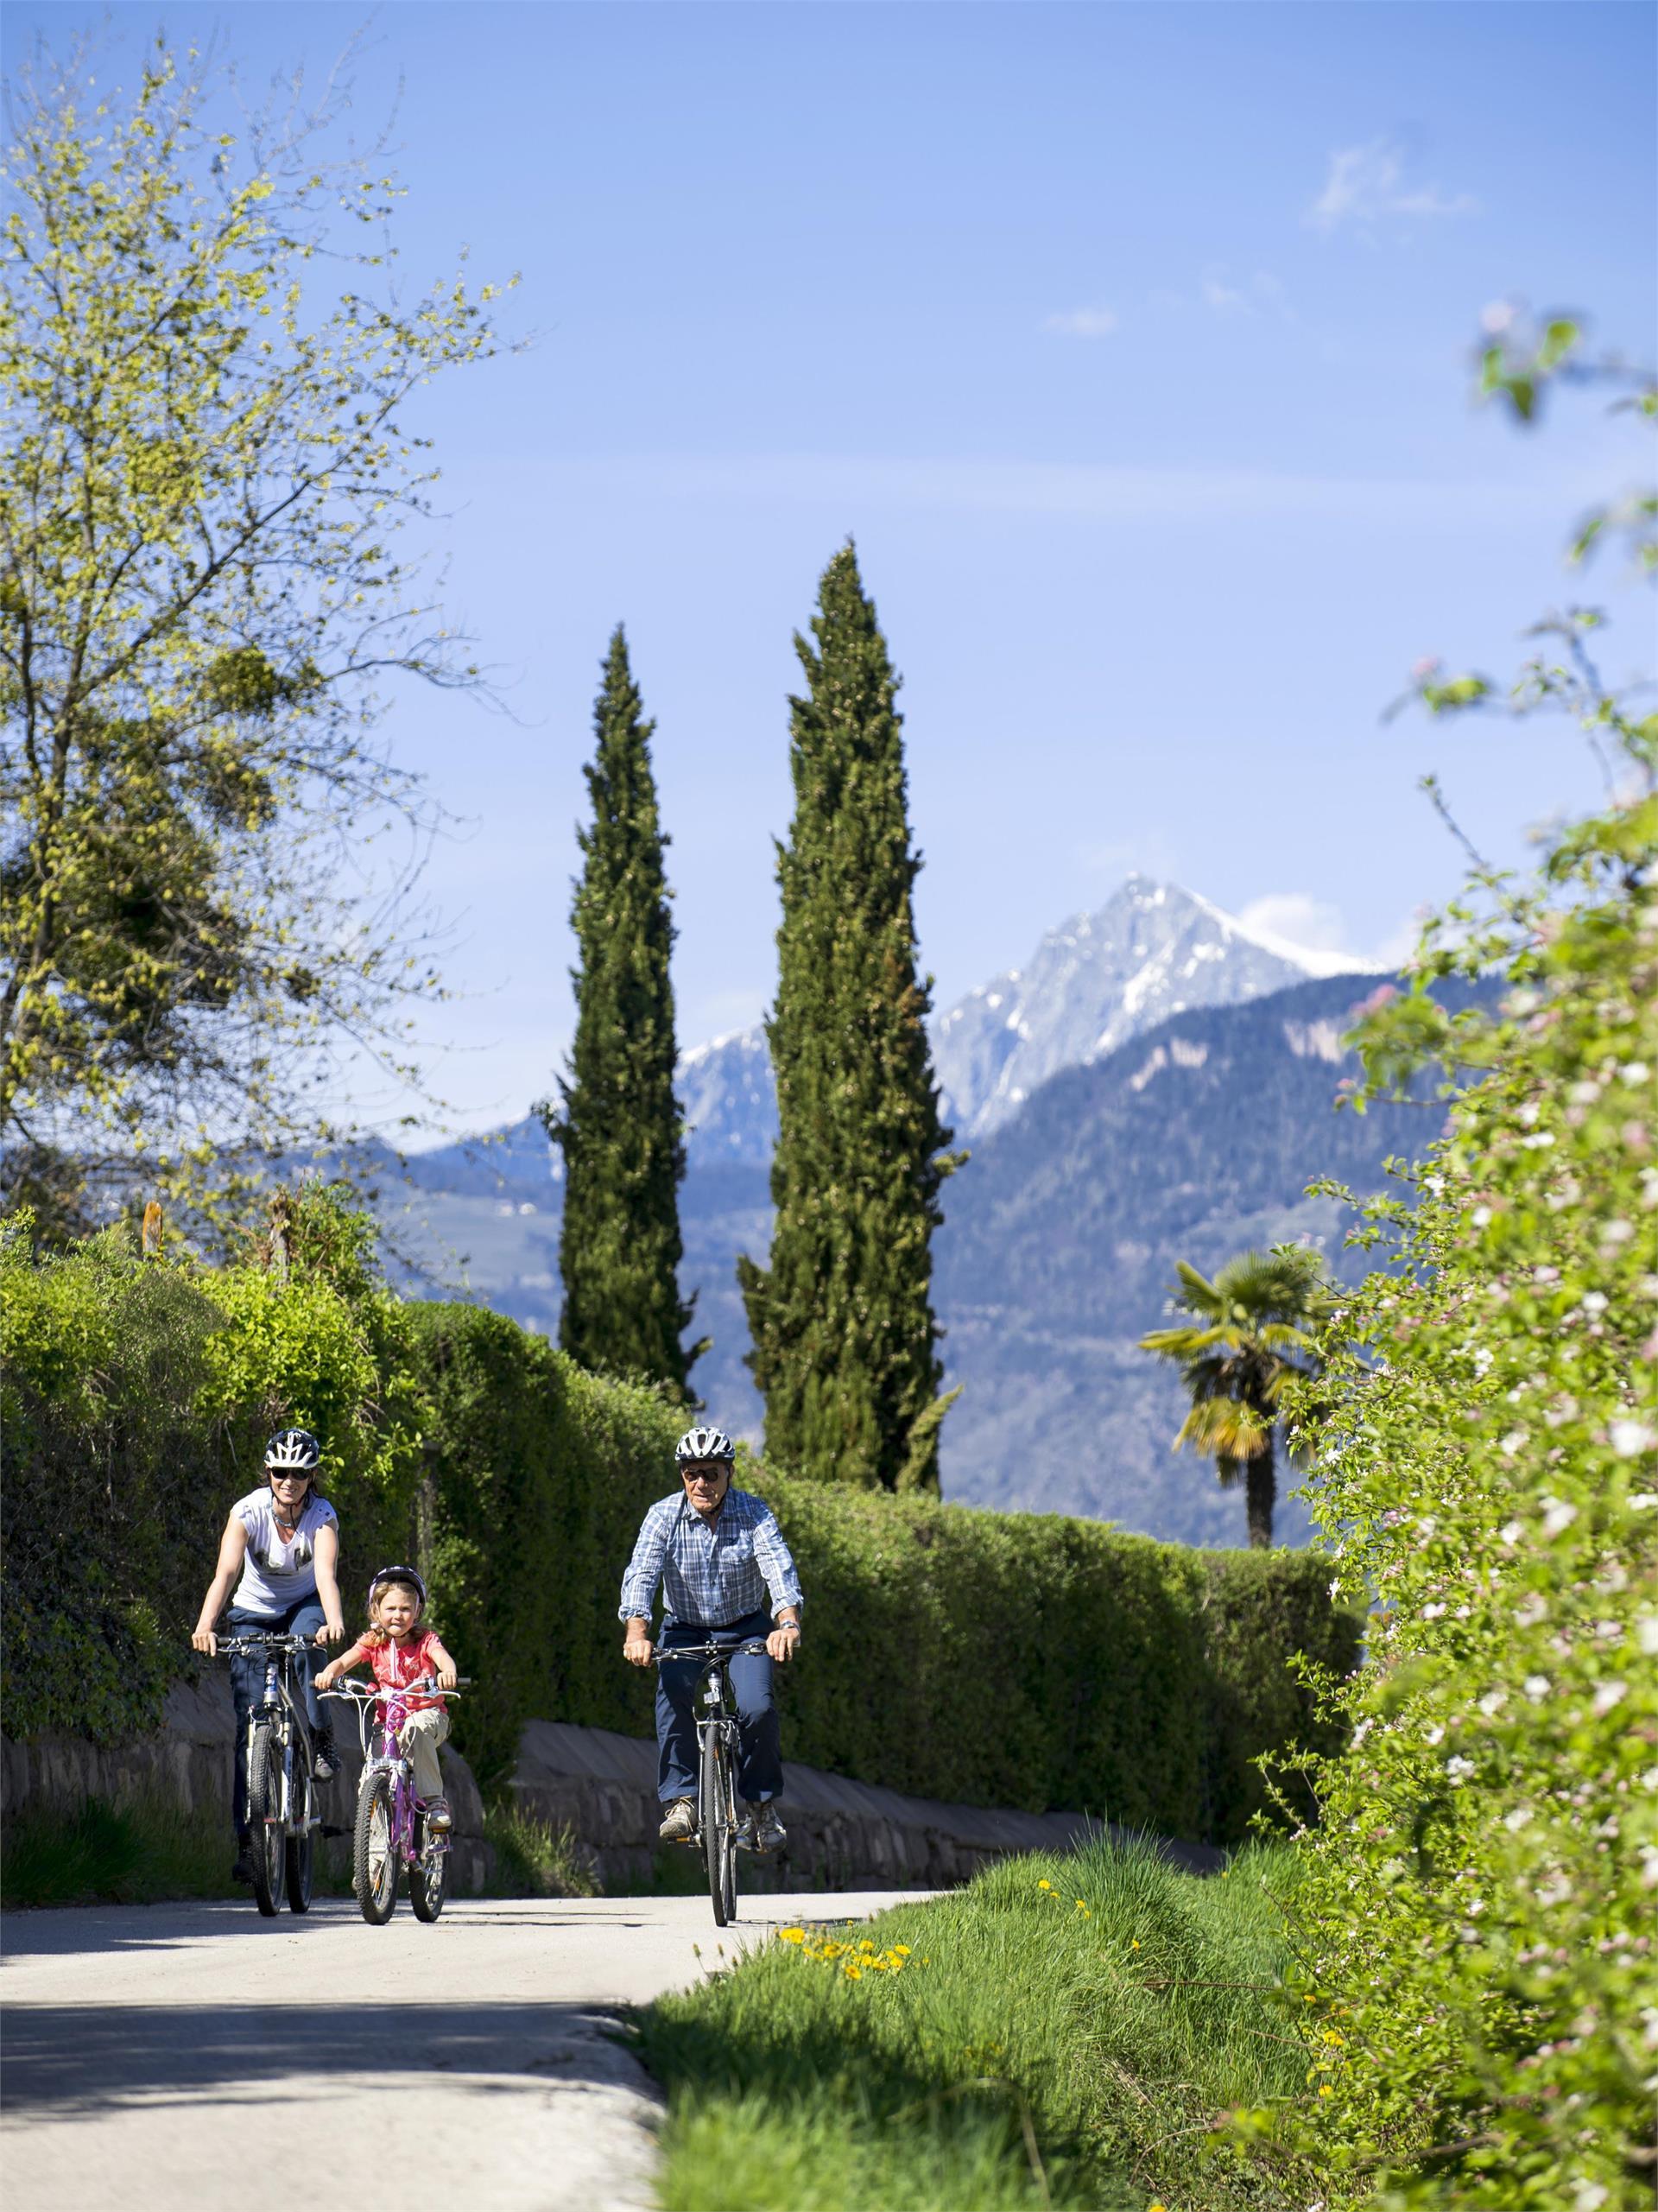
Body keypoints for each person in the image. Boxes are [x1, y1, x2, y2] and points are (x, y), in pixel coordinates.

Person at [620, 1423, 802, 1853]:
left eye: (711, 1474)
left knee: (757, 1708)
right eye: (691, 1474)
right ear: (683, 1476)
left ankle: (760, 1807)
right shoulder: (663, 1516)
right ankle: (682, 1801)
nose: (701, 1483)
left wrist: (787, 1624)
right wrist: (637, 1632)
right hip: (684, 1627)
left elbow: (778, 1567)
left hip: (745, 1628)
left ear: (729, 1474)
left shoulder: (754, 1513)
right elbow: (642, 1574)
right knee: (673, 1696)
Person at [190, 1428, 345, 1884]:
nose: (289, 1481)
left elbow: (325, 1574)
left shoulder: (322, 1516)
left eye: (298, 1473)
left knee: (307, 1647)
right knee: (248, 1727)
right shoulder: (247, 1512)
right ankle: (248, 1842)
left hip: (304, 1605)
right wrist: (205, 1626)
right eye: (281, 1472)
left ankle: (320, 1736)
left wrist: (332, 1621)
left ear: (311, 1476)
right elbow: (226, 1572)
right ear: (269, 1473)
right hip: (253, 1611)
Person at [316, 1565, 459, 1834]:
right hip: (388, 1722)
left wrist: (448, 1672)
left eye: (405, 1609)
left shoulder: (425, 1640)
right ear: (377, 1611)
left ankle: (435, 1802)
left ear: (417, 1612)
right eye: (390, 1609)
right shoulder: (373, 1641)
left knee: (416, 1730)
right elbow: (345, 1660)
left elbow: (441, 1656)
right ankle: (371, 1863)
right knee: (370, 1777)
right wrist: (329, 1673)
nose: (397, 1615)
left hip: (428, 1716)